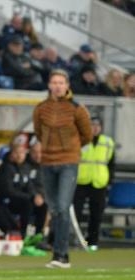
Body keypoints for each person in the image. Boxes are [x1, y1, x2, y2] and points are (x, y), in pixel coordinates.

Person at [33, 69, 92, 268]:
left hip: (69, 162)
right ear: (49, 85)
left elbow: (87, 135)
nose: (57, 86)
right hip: (47, 163)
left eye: (61, 82)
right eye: (54, 82)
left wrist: (71, 149)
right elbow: (39, 133)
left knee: (63, 206)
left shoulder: (77, 108)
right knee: (55, 208)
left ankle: (62, 255)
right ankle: (57, 254)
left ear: (67, 86)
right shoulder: (40, 109)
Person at [73, 116, 115, 252]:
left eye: (97, 125)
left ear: (101, 127)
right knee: (77, 213)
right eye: (92, 125)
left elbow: (111, 163)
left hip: (99, 182)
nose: (95, 128)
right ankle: (78, 241)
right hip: (81, 181)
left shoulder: (108, 142)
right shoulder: (81, 140)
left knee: (96, 215)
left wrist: (109, 181)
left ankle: (92, 242)